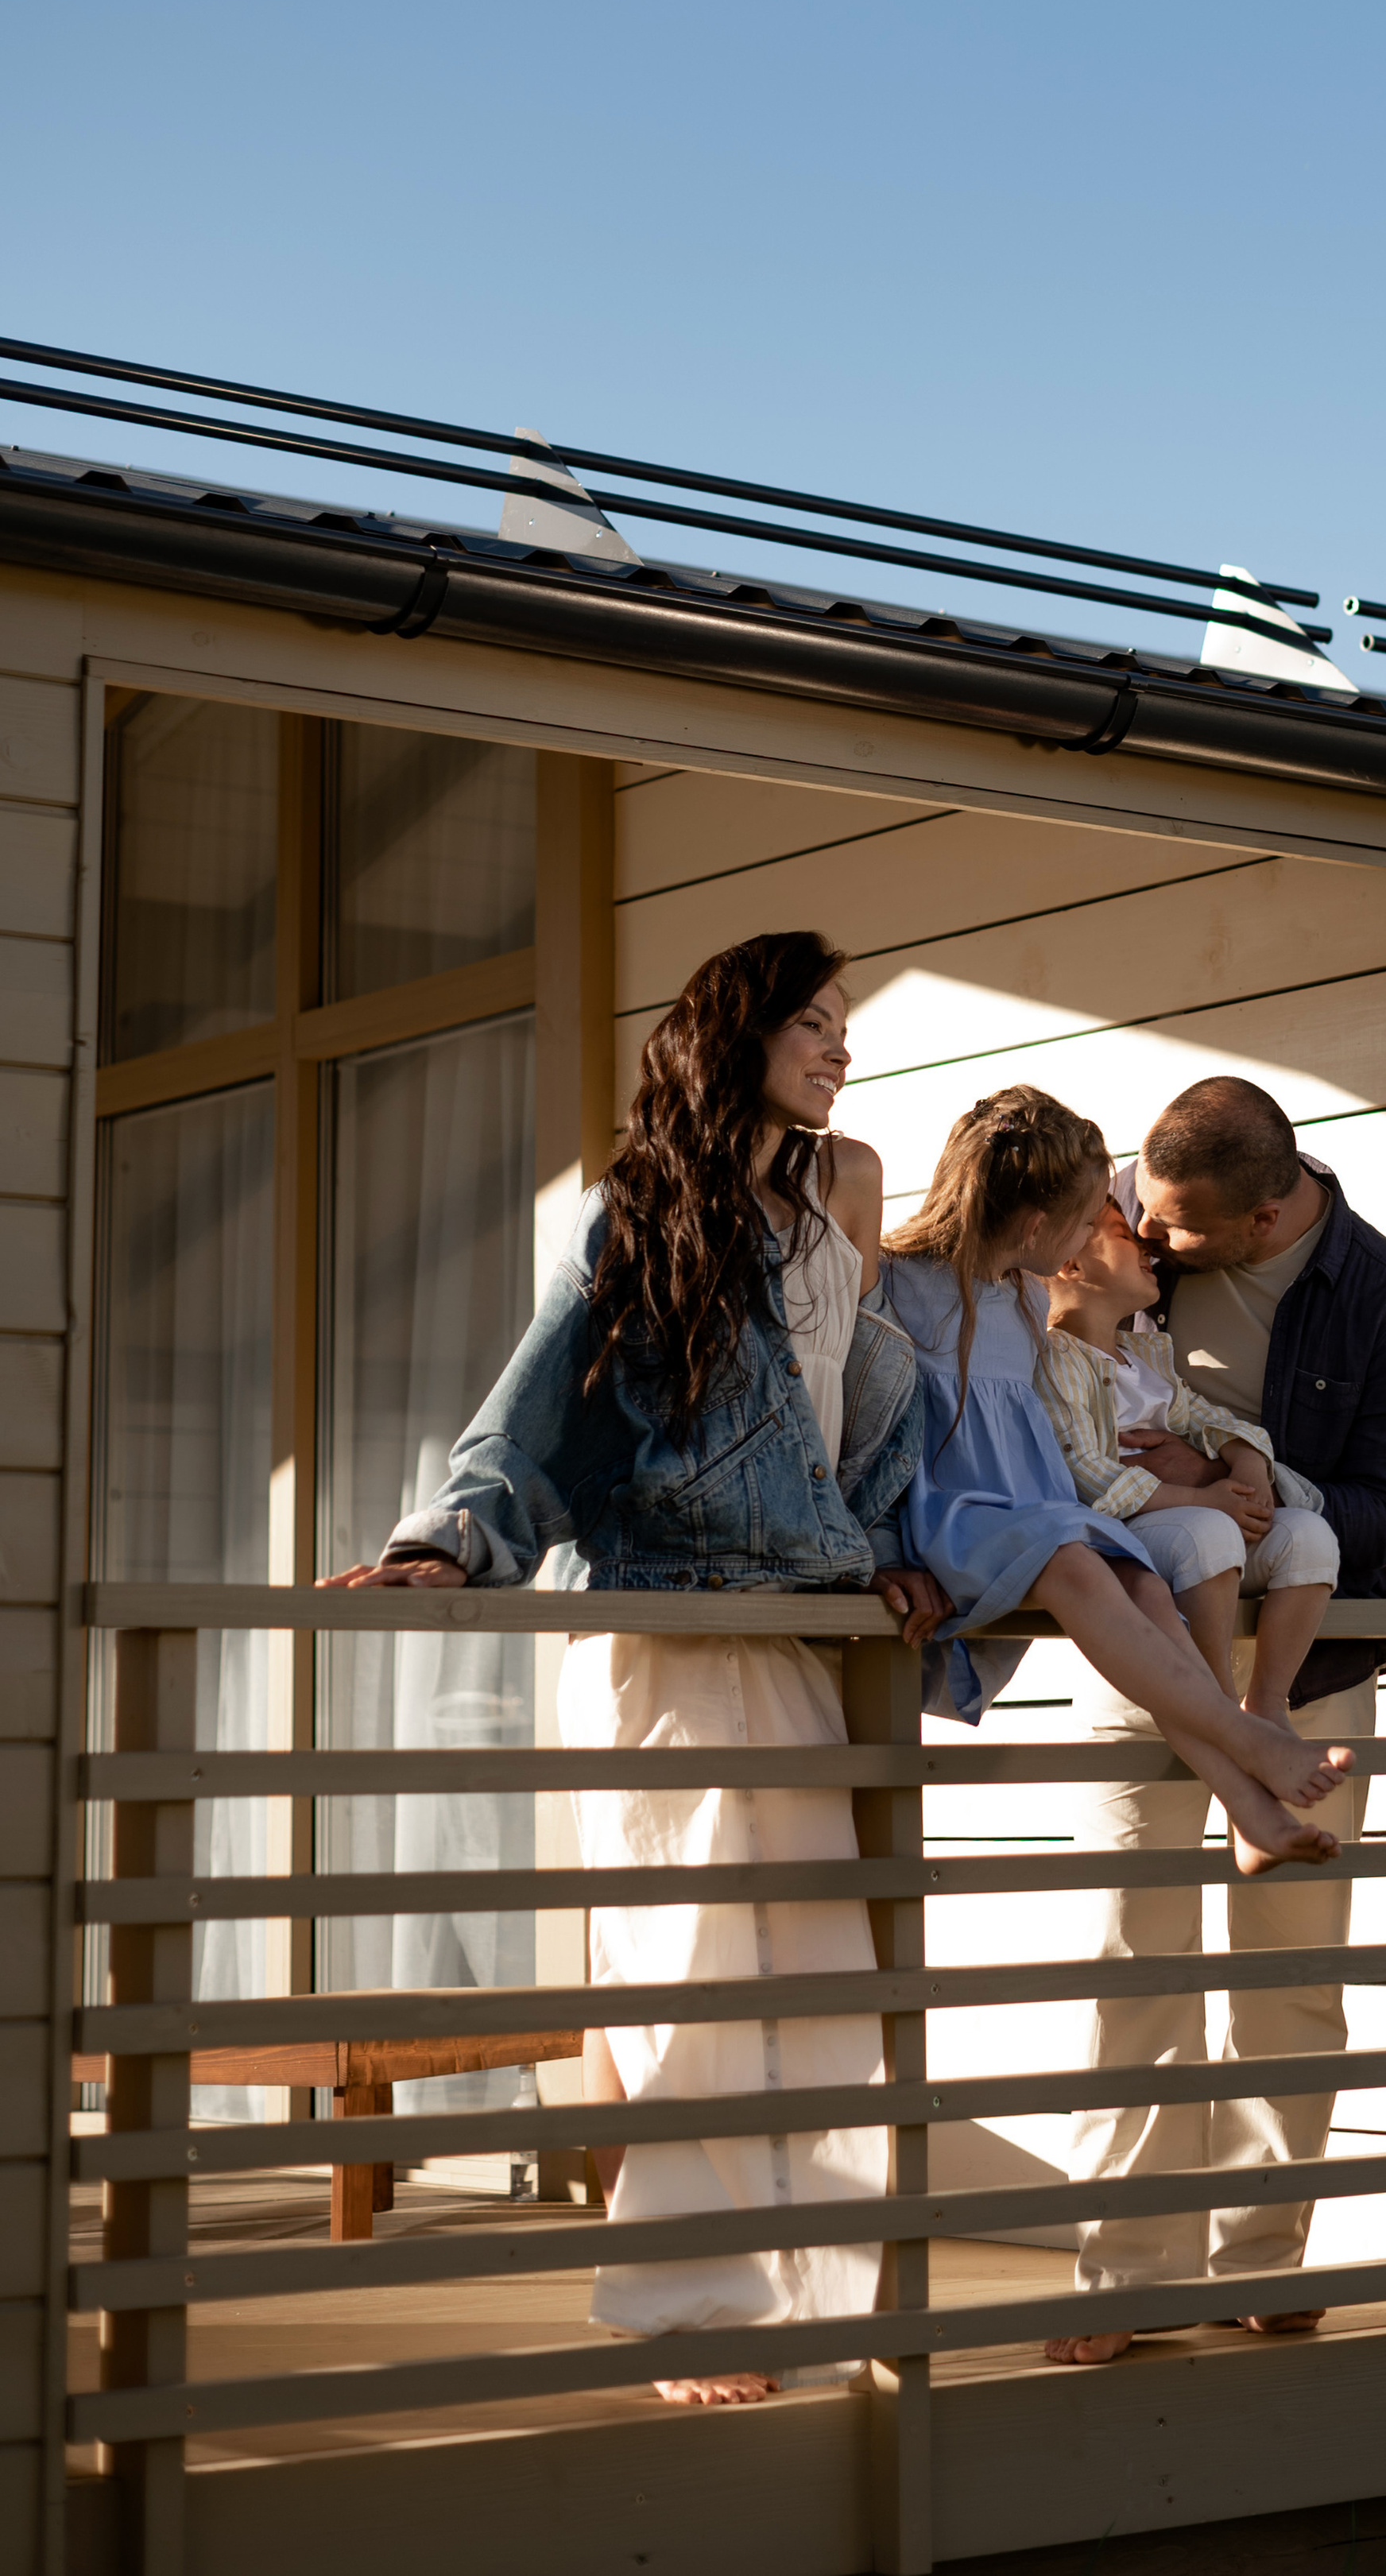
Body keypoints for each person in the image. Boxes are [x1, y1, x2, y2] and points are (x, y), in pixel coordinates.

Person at [323, 930, 948, 2408]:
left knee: (823, 1982)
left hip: (800, 1624)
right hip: (668, 1623)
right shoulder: (641, 1210)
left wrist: (888, 1548)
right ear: (737, 1033)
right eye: (812, 1021)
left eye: (844, 1022)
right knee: (693, 1976)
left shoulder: (833, 1200)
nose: (840, 1045)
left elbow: (850, 1409)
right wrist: (454, 1541)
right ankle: (697, 2308)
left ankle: (815, 2293)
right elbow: (541, 1399)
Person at [1051, 1074, 1386, 2367]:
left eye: (1175, 1224)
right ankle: (1123, 2273)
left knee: (1290, 1983)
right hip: (1138, 1651)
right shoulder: (1117, 1218)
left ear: (1265, 1216)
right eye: (1138, 1206)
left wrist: (1253, 1483)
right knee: (1133, 1968)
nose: (1144, 1233)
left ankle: (1262, 2260)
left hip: (1307, 1675)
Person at [880, 1084, 1360, 1873]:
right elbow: (860, 1426)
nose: (1115, 1232)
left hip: (1040, 1510)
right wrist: (877, 1549)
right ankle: (1250, 1739)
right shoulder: (894, 1280)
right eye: (1086, 1220)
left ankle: (1248, 1807)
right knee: (1074, 1560)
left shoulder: (1020, 1294)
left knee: (1143, 1585)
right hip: (958, 1514)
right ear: (1037, 1226)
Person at [1034, 1194, 1342, 1714]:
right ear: (1071, 1263)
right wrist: (1203, 1499)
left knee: (1309, 1536)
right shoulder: (1056, 1358)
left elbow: (1212, 1419)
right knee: (1210, 1530)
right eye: (1123, 1235)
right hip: (1123, 1542)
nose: (1146, 1248)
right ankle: (1218, 1707)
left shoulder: (1145, 1359)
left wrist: (1248, 1462)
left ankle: (1267, 1705)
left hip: (1197, 1526)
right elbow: (1081, 1471)